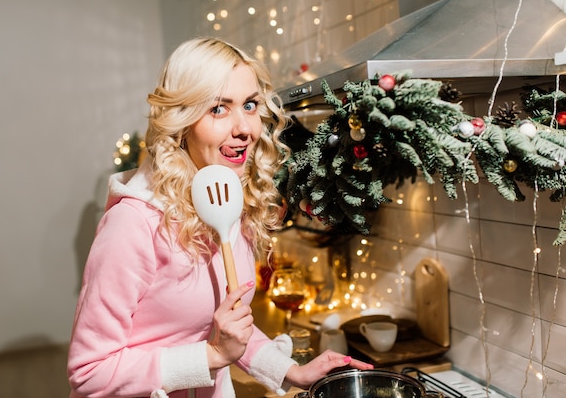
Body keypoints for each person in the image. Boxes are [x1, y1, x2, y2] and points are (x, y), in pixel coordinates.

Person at [67, 37, 373, 398]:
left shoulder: (226, 202)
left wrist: (292, 372)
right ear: (182, 121)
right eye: (218, 109)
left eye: (250, 105)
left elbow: (230, 329)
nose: (244, 128)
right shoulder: (133, 224)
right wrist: (210, 356)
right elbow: (89, 372)